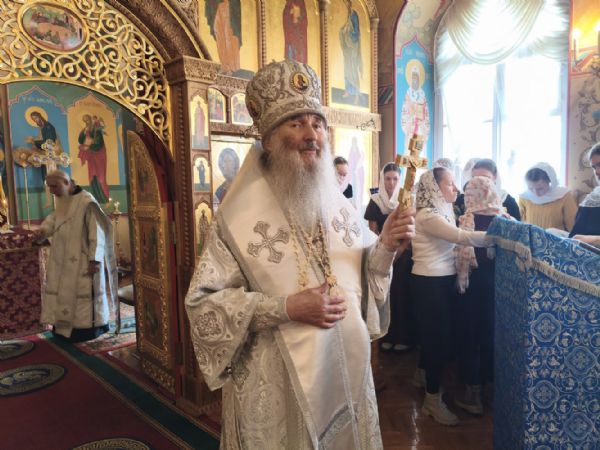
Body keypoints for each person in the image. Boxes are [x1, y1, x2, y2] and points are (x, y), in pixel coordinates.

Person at [185, 59, 415, 449]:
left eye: (318, 124)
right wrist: (287, 308)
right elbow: (203, 306)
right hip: (279, 383)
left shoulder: (338, 206)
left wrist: (387, 247)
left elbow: (362, 280)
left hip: (346, 372)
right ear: (271, 139)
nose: (312, 135)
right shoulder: (237, 219)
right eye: (296, 124)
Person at [410, 167, 490, 426]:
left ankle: (423, 376)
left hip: (441, 280)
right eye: (450, 184)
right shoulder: (428, 215)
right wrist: (494, 237)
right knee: (437, 342)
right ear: (435, 188)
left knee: (436, 337)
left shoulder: (443, 209)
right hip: (429, 282)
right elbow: (459, 237)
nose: (456, 188)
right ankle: (431, 401)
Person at [35, 170, 117, 342]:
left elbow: (97, 231)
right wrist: (43, 230)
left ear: (66, 182)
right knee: (62, 294)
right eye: (50, 187)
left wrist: (95, 259)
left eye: (54, 186)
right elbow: (55, 218)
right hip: (62, 259)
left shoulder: (87, 202)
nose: (52, 191)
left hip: (82, 260)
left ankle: (86, 330)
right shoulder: (64, 200)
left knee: (82, 294)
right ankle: (63, 327)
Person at [454, 176, 505, 416]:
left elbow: (457, 253)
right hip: (498, 287)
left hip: (471, 286)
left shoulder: (466, 220)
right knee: (492, 337)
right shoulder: (505, 220)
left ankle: (472, 394)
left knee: (470, 337)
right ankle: (493, 390)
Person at [365, 163, 416, 354]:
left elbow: (409, 233)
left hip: (402, 256)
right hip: (380, 253)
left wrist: (396, 253)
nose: (391, 183)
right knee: (385, 295)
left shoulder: (406, 201)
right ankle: (387, 336)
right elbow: (372, 232)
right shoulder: (375, 201)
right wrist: (384, 252)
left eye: (395, 179)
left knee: (401, 296)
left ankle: (403, 337)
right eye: (388, 179)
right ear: (382, 179)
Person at [455, 158, 520, 221]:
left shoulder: (508, 202)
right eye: (475, 178)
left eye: (485, 178)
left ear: (495, 178)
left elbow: (517, 226)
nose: (480, 182)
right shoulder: (462, 199)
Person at [519, 162, 577, 232]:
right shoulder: (524, 198)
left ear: (549, 182)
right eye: (531, 188)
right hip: (531, 237)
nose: (536, 193)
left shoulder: (564, 196)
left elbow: (573, 226)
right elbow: (521, 223)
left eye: (540, 189)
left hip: (557, 237)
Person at [570, 142, 600, 246]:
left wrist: (591, 240)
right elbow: (575, 235)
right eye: (594, 167)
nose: (597, 172)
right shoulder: (592, 199)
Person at [78, 114, 109, 203]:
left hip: (99, 155)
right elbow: (80, 140)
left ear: (91, 120)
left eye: (87, 120)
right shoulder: (85, 130)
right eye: (85, 121)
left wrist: (89, 147)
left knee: (100, 176)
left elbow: (99, 143)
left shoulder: (96, 130)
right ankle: (96, 198)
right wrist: (83, 133)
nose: (86, 122)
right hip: (91, 156)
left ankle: (105, 198)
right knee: (92, 176)